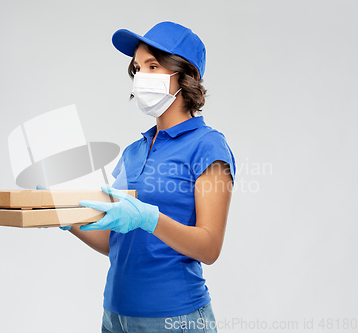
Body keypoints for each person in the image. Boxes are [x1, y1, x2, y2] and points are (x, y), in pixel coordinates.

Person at [65, 21, 236, 333]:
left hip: (174, 319)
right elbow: (115, 240)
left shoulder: (208, 146)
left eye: (153, 66)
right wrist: (65, 218)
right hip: (115, 316)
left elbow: (210, 247)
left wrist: (149, 218)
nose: (141, 76)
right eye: (137, 68)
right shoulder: (134, 151)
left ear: (188, 76)